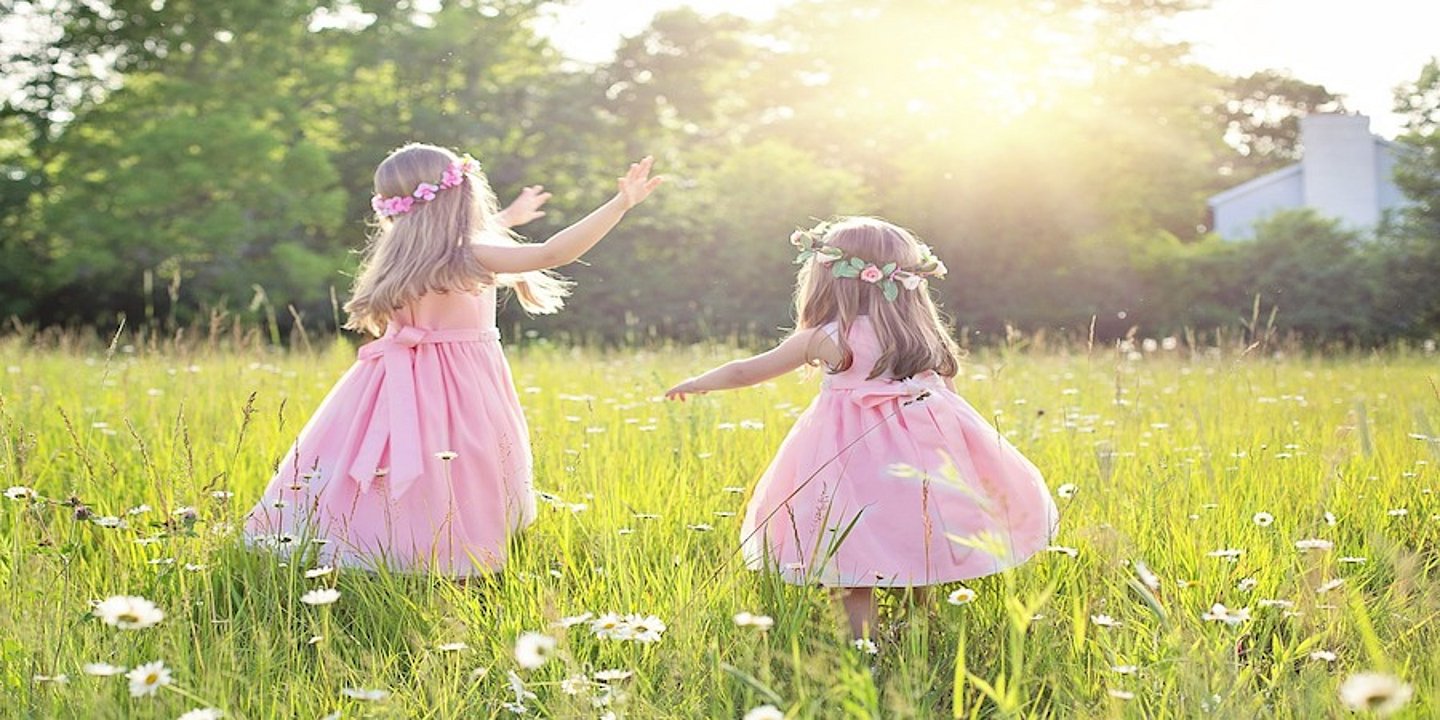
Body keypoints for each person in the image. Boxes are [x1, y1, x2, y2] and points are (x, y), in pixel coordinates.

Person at [245, 143, 662, 576]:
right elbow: (550, 254)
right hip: (460, 382)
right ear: (462, 194)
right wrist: (619, 205)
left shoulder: (399, 252)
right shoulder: (467, 254)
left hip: (390, 380)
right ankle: (449, 554)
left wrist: (509, 219)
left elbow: (449, 244)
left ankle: (364, 542)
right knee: (467, 465)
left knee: (380, 466)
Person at [666, 217, 1057, 637]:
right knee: (919, 541)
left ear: (826, 281)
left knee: (851, 553)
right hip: (923, 455)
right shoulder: (924, 333)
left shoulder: (827, 336)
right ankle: (919, 631)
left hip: (849, 459)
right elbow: (951, 395)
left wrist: (699, 383)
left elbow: (748, 371)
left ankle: (862, 647)